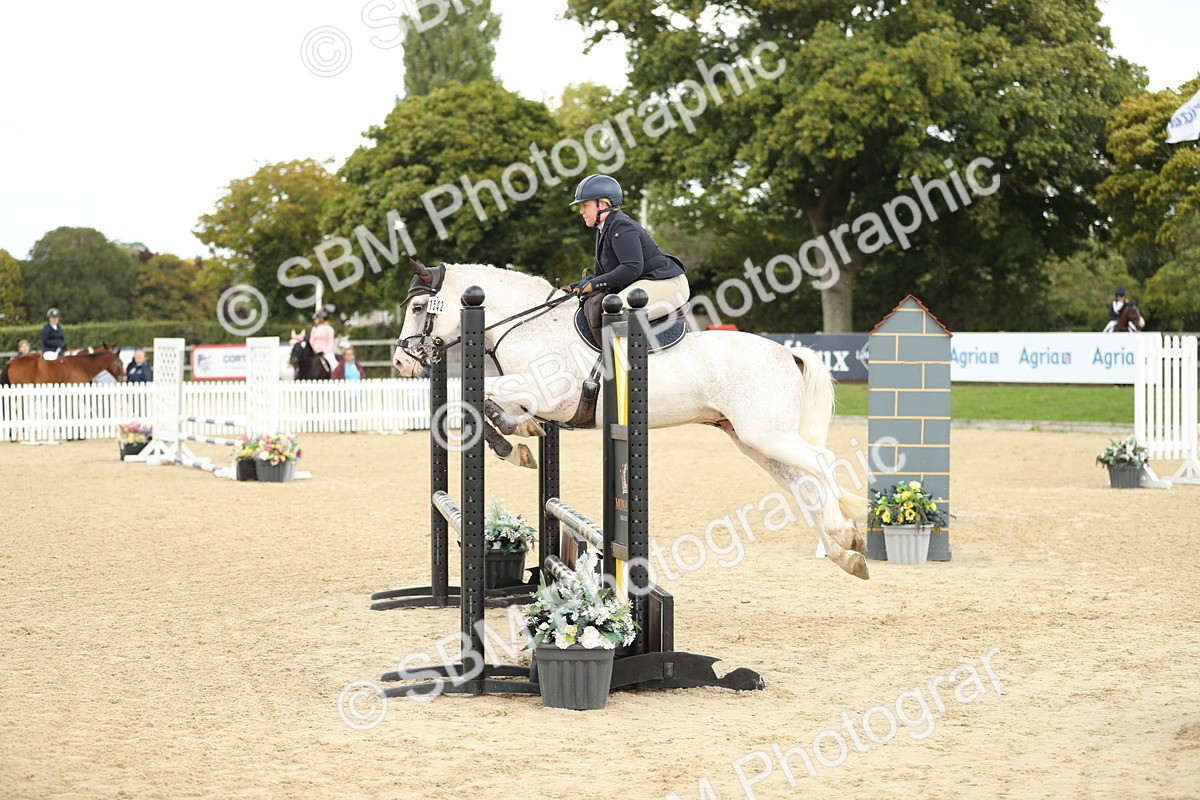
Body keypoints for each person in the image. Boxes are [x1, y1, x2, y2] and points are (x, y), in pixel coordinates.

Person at [565, 174, 690, 343]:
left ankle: (627, 368)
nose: (581, 211)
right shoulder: (603, 230)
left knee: (613, 313)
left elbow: (631, 268)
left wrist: (592, 285)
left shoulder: (621, 225)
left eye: (585, 205)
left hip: (667, 284)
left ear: (602, 204)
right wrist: (571, 288)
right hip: (646, 284)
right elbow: (600, 275)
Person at [309, 310, 336, 374]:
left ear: (321, 319)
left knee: (334, 364)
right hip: (314, 352)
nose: (315, 320)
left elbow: (330, 343)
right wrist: (314, 350)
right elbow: (311, 341)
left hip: (325, 352)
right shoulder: (314, 329)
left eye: (316, 319)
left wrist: (324, 351)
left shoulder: (329, 329)